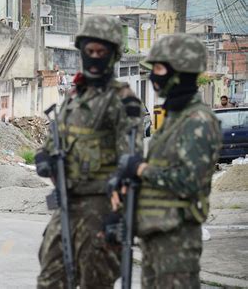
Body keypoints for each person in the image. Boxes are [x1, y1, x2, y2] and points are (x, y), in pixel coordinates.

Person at [36, 15, 143, 288]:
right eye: (90, 51)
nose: (94, 58)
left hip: (101, 205)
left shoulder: (122, 99)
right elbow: (57, 140)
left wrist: (117, 214)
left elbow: (129, 159)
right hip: (67, 203)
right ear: (82, 51)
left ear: (113, 55)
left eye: (101, 52)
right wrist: (44, 157)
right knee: (50, 277)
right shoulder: (75, 95)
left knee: (95, 280)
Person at [111, 34, 222, 288]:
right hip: (156, 238)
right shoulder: (175, 118)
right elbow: (160, 178)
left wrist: (140, 168)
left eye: (159, 69)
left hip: (176, 244)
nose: (153, 76)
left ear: (180, 71)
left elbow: (188, 182)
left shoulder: (198, 121)